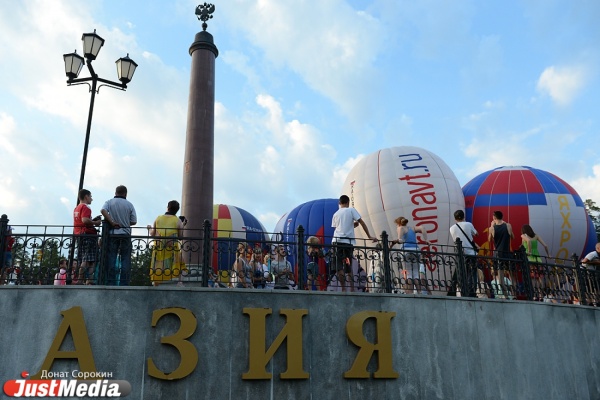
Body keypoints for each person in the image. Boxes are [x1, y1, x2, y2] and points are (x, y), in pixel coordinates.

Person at [331, 195, 377, 291]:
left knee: (339, 267)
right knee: (348, 265)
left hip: (336, 242)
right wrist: (369, 236)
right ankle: (352, 289)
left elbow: (337, 229)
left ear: (339, 203)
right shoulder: (351, 210)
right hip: (348, 243)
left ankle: (343, 289)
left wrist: (351, 226)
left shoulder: (335, 214)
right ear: (348, 202)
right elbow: (362, 222)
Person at [101, 185, 137, 286]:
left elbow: (103, 210)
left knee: (112, 257)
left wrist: (112, 222)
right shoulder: (129, 205)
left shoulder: (109, 202)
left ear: (115, 192)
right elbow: (134, 221)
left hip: (113, 234)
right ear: (125, 194)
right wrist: (125, 222)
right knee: (125, 258)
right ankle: (123, 283)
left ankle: (111, 282)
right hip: (125, 234)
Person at [147, 200, 186, 287]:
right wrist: (183, 225)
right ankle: (180, 282)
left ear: (168, 207)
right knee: (182, 265)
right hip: (171, 250)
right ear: (177, 210)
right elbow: (180, 236)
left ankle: (155, 284)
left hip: (159, 248)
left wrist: (149, 228)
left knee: (158, 266)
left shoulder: (158, 218)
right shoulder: (178, 221)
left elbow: (152, 234)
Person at [390, 217, 431, 295]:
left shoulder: (400, 228)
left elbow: (400, 240)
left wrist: (394, 243)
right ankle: (419, 292)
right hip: (416, 250)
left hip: (406, 251)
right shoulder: (412, 228)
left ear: (398, 223)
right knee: (416, 273)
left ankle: (410, 292)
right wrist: (426, 240)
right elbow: (422, 227)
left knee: (408, 274)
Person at [73, 189, 102, 285]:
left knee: (84, 258)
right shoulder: (86, 207)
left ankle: (83, 279)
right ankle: (86, 279)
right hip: (88, 235)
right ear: (86, 196)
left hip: (79, 234)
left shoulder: (77, 208)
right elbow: (85, 220)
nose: (91, 199)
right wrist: (95, 222)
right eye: (90, 196)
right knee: (90, 259)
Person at [449, 210, 479, 297]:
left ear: (455, 218)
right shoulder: (468, 224)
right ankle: (472, 291)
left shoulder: (452, 228)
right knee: (472, 272)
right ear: (463, 216)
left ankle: (462, 290)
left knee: (462, 272)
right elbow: (476, 234)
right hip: (471, 253)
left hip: (460, 253)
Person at [521, 224, 550, 300]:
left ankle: (534, 295)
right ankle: (541, 295)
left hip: (530, 258)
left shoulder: (523, 236)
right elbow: (545, 245)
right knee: (539, 277)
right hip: (538, 259)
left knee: (533, 278)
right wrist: (548, 255)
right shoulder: (536, 236)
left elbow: (528, 241)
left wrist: (529, 251)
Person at [488, 210, 514, 292]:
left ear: (494, 217)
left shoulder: (492, 228)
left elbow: (489, 240)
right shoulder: (508, 225)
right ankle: (514, 293)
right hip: (507, 253)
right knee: (512, 275)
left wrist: (491, 226)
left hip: (498, 254)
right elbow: (513, 237)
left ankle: (505, 295)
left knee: (501, 277)